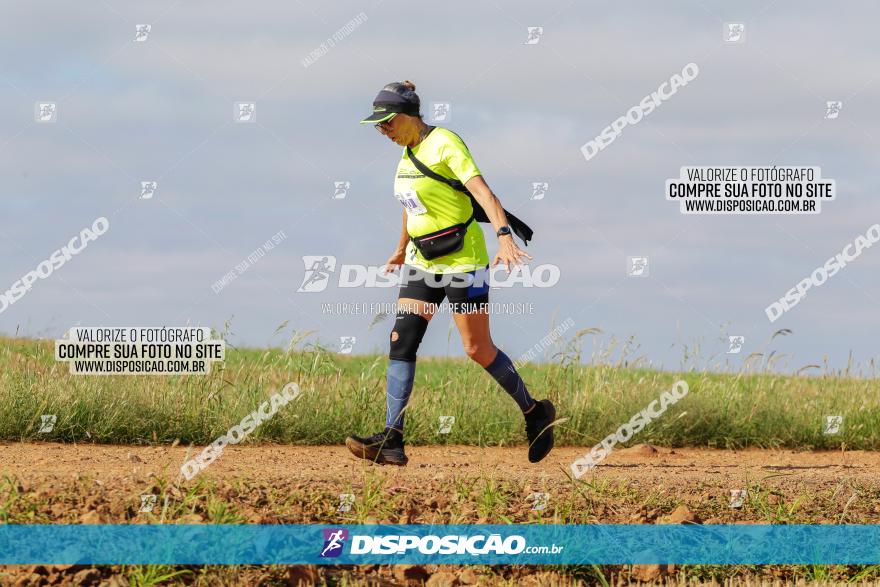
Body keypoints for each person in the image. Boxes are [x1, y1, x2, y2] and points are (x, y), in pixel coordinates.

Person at [345, 80, 557, 466]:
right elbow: (412, 207)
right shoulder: (406, 155)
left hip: (464, 263)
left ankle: (535, 412)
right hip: (422, 262)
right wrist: (399, 248)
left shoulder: (445, 143)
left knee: (478, 350)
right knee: (401, 340)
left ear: (408, 117)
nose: (383, 131)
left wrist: (504, 237)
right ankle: (392, 439)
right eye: (378, 126)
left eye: (387, 123)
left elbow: (483, 193)